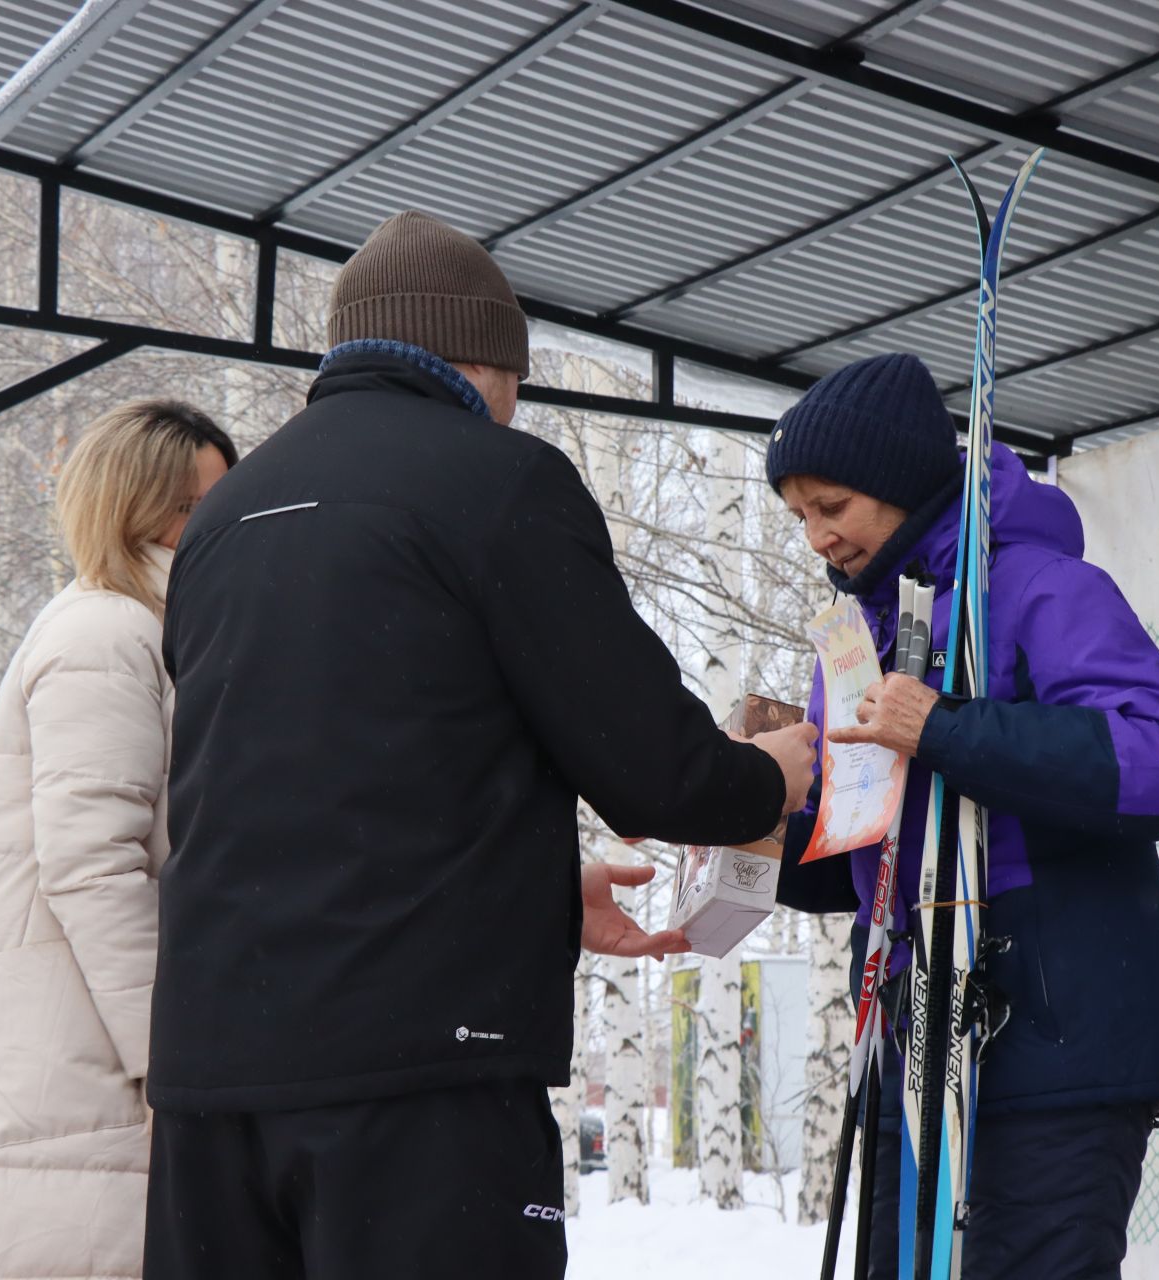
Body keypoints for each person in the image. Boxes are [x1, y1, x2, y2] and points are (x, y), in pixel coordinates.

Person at [144, 210, 818, 1279]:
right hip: (417, 1087)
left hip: (210, 1079)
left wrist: (538, 890)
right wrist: (766, 780)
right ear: (483, 362)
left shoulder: (227, 519)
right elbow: (653, 766)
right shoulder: (499, 480)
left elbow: (315, 786)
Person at [768, 353, 1159, 1279]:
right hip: (909, 1035)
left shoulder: (1044, 588)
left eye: (832, 507)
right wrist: (761, 829)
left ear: (896, 481)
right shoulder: (852, 642)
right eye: (798, 515)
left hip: (1053, 1047)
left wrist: (950, 729)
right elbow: (863, 857)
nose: (816, 539)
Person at [0, 400, 236, 1280]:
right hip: (80, 1081)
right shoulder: (106, 632)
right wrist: (171, 1060)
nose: (217, 524)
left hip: (71, 1065)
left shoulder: (142, 626)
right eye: (196, 506)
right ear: (140, 509)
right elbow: (92, 864)